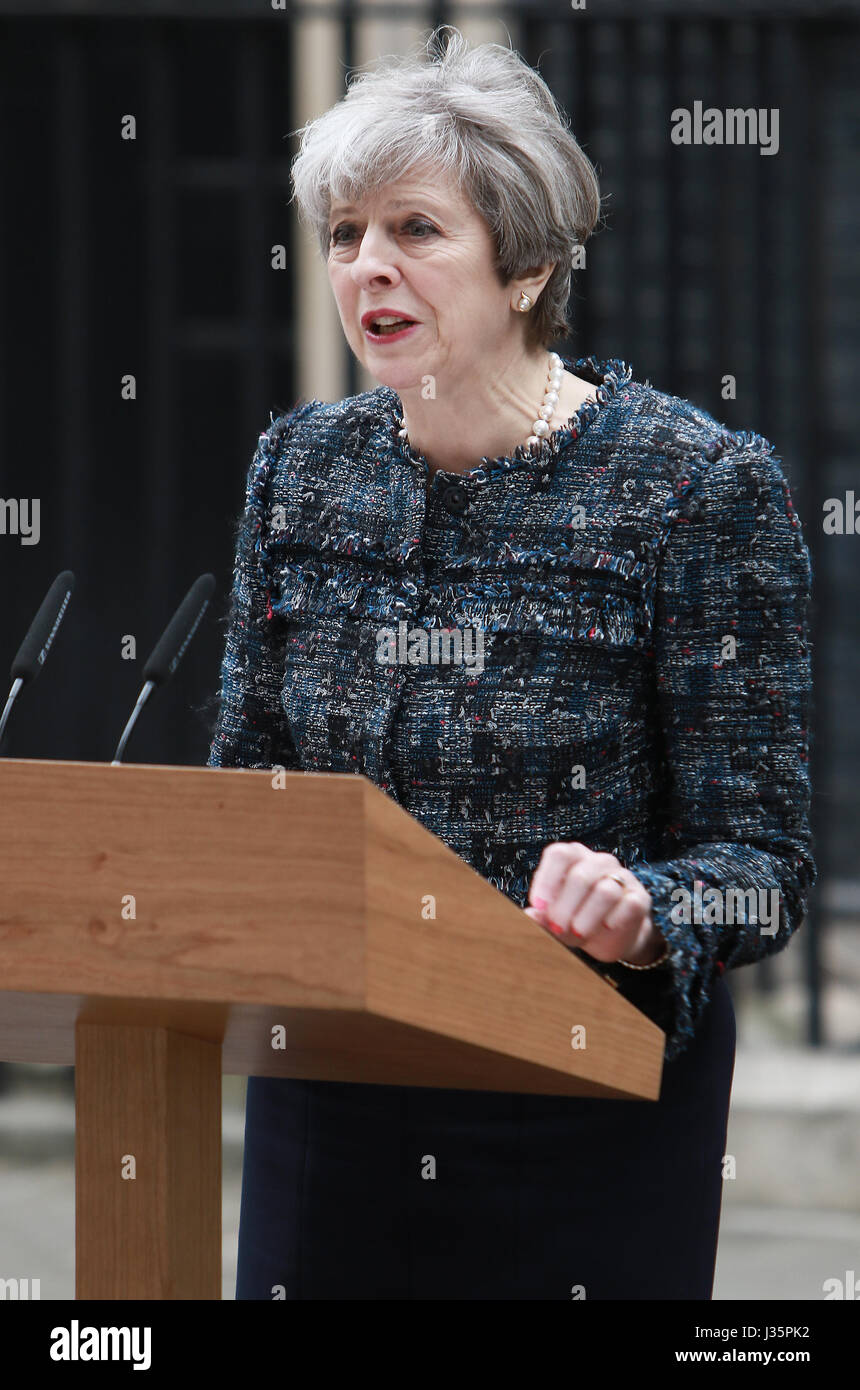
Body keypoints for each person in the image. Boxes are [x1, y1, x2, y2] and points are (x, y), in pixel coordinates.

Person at [207, 27, 816, 1300]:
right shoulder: (299, 472)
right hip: (337, 1091)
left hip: (576, 1098)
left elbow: (759, 863)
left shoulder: (690, 486)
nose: (368, 264)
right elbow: (245, 794)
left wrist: (649, 913)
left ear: (529, 264)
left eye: (414, 230)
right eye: (343, 233)